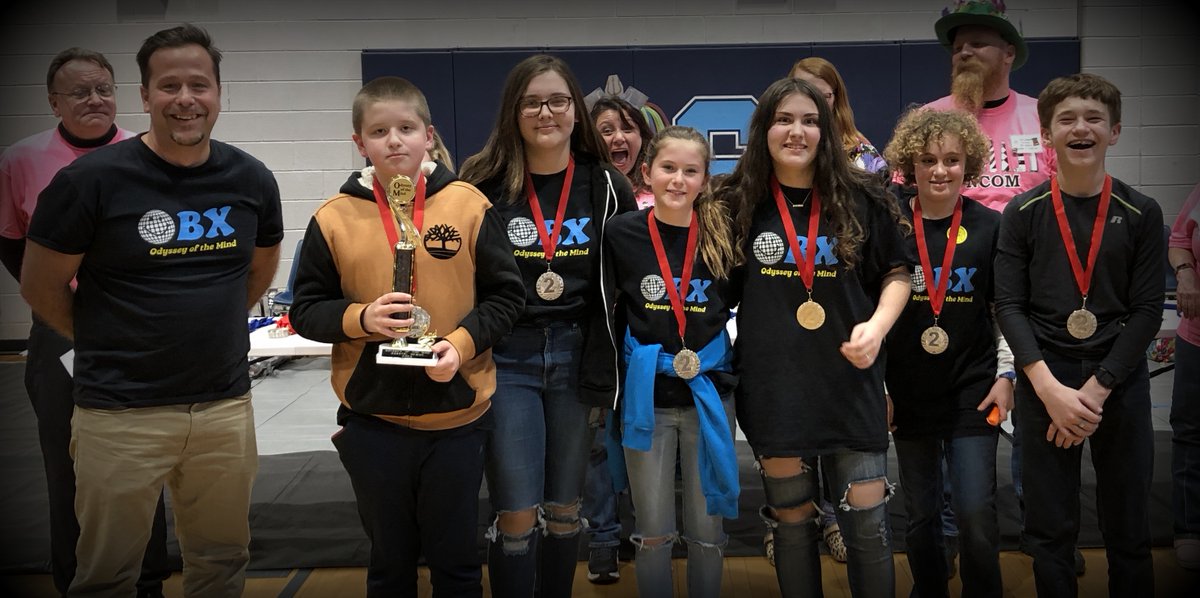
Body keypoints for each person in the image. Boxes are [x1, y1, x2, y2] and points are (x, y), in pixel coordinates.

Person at [20, 24, 282, 597]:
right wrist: (106, 338)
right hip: (120, 414)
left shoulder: (250, 178)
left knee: (220, 564)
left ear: (217, 92)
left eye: (199, 85)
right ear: (145, 97)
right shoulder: (90, 181)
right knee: (108, 573)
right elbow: (39, 287)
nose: (185, 99)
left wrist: (201, 329)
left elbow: (260, 271)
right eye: (169, 86)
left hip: (223, 409)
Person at [289, 76, 523, 597]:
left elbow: (508, 299)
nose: (394, 140)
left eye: (406, 128)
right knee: (388, 567)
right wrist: (360, 319)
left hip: (458, 418)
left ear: (429, 135)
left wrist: (459, 346)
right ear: (359, 143)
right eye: (379, 130)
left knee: (458, 565)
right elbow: (304, 309)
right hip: (373, 420)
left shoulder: (469, 206)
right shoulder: (332, 218)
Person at [721, 76, 911, 597]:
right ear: (763, 130)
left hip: (851, 383)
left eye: (809, 121)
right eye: (784, 120)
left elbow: (898, 272)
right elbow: (708, 289)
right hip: (775, 387)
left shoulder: (862, 197)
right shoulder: (735, 201)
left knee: (868, 525)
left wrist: (876, 327)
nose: (797, 131)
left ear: (827, 131)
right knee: (791, 521)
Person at [459, 54, 636, 598]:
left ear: (573, 110)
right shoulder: (482, 183)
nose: (546, 112)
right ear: (514, 111)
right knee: (516, 509)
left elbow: (635, 274)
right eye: (532, 101)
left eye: (558, 100)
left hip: (579, 355)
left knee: (565, 508)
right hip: (505, 356)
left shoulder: (605, 185)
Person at [0, 47, 171, 598]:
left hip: (140, 329)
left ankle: (147, 578)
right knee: (66, 460)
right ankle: (73, 578)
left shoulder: (151, 152)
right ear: (53, 102)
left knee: (145, 460)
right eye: (79, 92)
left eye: (103, 88)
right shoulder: (20, 162)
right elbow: (10, 244)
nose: (95, 100)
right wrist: (58, 300)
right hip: (60, 330)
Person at [995, 72, 1164, 597]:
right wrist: (1048, 391)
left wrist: (1096, 390)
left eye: (1094, 118)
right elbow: (1009, 306)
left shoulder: (1142, 213)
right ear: (1046, 133)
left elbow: (1146, 312)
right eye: (1066, 119)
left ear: (1115, 131)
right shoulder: (1023, 214)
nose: (1080, 128)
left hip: (1117, 382)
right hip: (1047, 379)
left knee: (1129, 529)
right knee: (1048, 532)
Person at [604, 126, 739, 597]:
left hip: (710, 396)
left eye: (690, 171)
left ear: (705, 178)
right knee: (653, 532)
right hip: (649, 398)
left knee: (707, 533)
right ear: (647, 173)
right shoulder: (621, 234)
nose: (678, 180)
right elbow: (608, 310)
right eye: (668, 168)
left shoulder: (724, 236)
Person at [882, 108, 1011, 597]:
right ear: (908, 165)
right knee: (921, 513)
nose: (940, 170)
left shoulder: (991, 226)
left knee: (976, 509)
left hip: (975, 387)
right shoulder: (890, 224)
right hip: (907, 391)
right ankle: (929, 589)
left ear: (969, 164)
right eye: (928, 159)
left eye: (952, 160)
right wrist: (879, 387)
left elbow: (1006, 308)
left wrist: (1007, 376)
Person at [774, 54, 886, 567]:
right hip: (788, 342)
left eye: (821, 97)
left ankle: (839, 523)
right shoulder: (766, 168)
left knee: (846, 452)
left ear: (836, 100)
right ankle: (795, 524)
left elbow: (888, 258)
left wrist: (877, 323)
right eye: (798, 95)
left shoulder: (866, 163)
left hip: (845, 327)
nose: (808, 108)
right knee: (794, 454)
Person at [927, 0, 1056, 213]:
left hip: (1027, 239)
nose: (964, 53)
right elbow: (906, 195)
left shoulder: (1044, 115)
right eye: (958, 48)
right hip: (954, 240)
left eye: (977, 44)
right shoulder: (929, 118)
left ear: (1009, 54)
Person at [1168, 181, 1200, 570]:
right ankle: (1189, 529)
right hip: (1195, 337)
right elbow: (1178, 238)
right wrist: (1185, 272)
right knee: (1189, 432)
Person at [789, 56, 887, 175]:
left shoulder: (861, 154)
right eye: (805, 94)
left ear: (836, 99)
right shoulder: (780, 150)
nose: (814, 103)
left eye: (824, 96)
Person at [591, 95, 654, 208]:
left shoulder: (660, 190)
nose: (619, 138)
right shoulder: (581, 191)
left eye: (627, 129)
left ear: (642, 137)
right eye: (607, 131)